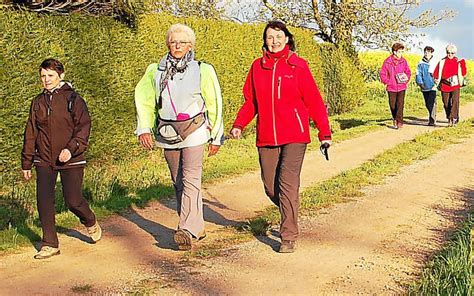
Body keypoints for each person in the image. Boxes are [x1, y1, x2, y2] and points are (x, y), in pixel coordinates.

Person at [230, 21, 332, 253]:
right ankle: (290, 208)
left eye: (278, 36)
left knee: (287, 183)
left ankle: (288, 236)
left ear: (287, 39)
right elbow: (251, 102)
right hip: (266, 135)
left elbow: (314, 101)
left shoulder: (298, 66)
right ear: (264, 41)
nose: (274, 41)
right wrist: (239, 124)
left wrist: (324, 132)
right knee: (270, 187)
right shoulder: (257, 67)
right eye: (269, 37)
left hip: (295, 134)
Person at [134, 24, 224, 250]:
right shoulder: (155, 70)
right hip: (167, 132)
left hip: (195, 130)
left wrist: (216, 136)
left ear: (190, 45)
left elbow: (214, 102)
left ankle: (186, 229)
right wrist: (144, 128)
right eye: (173, 41)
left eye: (182, 42)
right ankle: (197, 226)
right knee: (178, 180)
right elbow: (145, 101)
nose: (177, 45)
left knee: (191, 179)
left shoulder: (203, 70)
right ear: (167, 43)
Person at [21, 58, 102, 260]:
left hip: (71, 158)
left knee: (73, 200)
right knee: (44, 199)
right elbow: (31, 132)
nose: (46, 80)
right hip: (44, 158)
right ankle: (50, 243)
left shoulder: (74, 100)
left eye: (50, 76)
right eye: (43, 76)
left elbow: (84, 128)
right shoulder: (37, 102)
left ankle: (90, 220)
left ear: (61, 76)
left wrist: (71, 148)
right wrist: (27, 161)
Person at [433, 44, 467, 126]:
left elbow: (464, 73)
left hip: (455, 85)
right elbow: (436, 73)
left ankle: (453, 118)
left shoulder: (458, 61)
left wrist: (462, 65)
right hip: (445, 85)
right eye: (448, 52)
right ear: (446, 52)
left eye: (452, 53)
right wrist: (436, 79)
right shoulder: (442, 62)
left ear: (455, 53)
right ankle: (449, 116)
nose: (450, 54)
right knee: (446, 102)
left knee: (455, 102)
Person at [380, 42, 411, 129]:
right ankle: (395, 118)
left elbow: (408, 72)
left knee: (400, 104)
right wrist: (387, 81)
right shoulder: (387, 62)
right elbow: (382, 73)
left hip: (401, 86)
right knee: (392, 105)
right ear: (394, 52)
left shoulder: (403, 61)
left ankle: (399, 121)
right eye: (399, 51)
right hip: (391, 87)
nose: (401, 53)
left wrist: (406, 79)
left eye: (402, 51)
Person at [415, 46, 437, 126]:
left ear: (431, 53)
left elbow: (438, 73)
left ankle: (432, 119)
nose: (427, 53)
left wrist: (437, 82)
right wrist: (420, 83)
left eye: (428, 52)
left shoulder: (434, 62)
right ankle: (431, 116)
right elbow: (418, 73)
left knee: (432, 102)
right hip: (424, 86)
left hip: (433, 86)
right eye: (425, 52)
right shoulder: (420, 62)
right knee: (427, 103)